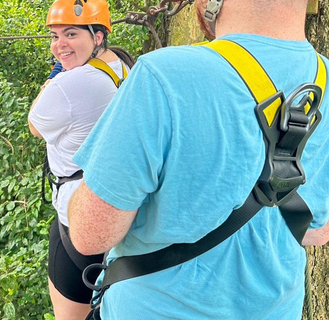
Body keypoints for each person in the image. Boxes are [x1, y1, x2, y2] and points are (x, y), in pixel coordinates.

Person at [67, 0, 329, 319]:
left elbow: (91, 235)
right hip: (278, 309)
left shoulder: (163, 76)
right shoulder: (324, 80)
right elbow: (316, 231)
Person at [27, 0, 134, 318]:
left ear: (98, 36)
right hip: (123, 211)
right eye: (55, 36)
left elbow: (34, 125)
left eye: (71, 34)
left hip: (77, 220)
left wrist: (55, 78)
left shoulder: (69, 85)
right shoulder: (124, 68)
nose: (59, 45)